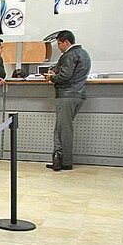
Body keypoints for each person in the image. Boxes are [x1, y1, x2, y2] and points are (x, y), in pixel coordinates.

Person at [45, 30, 92, 171]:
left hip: (66, 95)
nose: (58, 47)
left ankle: (64, 161)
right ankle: (62, 159)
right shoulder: (84, 54)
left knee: (62, 130)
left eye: (59, 43)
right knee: (63, 128)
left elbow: (64, 75)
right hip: (78, 95)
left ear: (66, 42)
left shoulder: (69, 55)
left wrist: (51, 77)